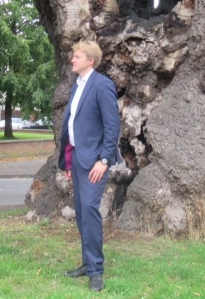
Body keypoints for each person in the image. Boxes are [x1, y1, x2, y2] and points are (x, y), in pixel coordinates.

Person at [57, 40, 121, 293]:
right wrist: (69, 161)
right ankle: (87, 263)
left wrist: (104, 160)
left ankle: (96, 271)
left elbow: (112, 126)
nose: (73, 59)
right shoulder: (77, 86)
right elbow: (73, 127)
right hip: (79, 160)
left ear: (90, 61)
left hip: (96, 162)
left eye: (78, 56)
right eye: (74, 55)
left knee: (91, 212)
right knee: (82, 214)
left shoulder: (102, 85)